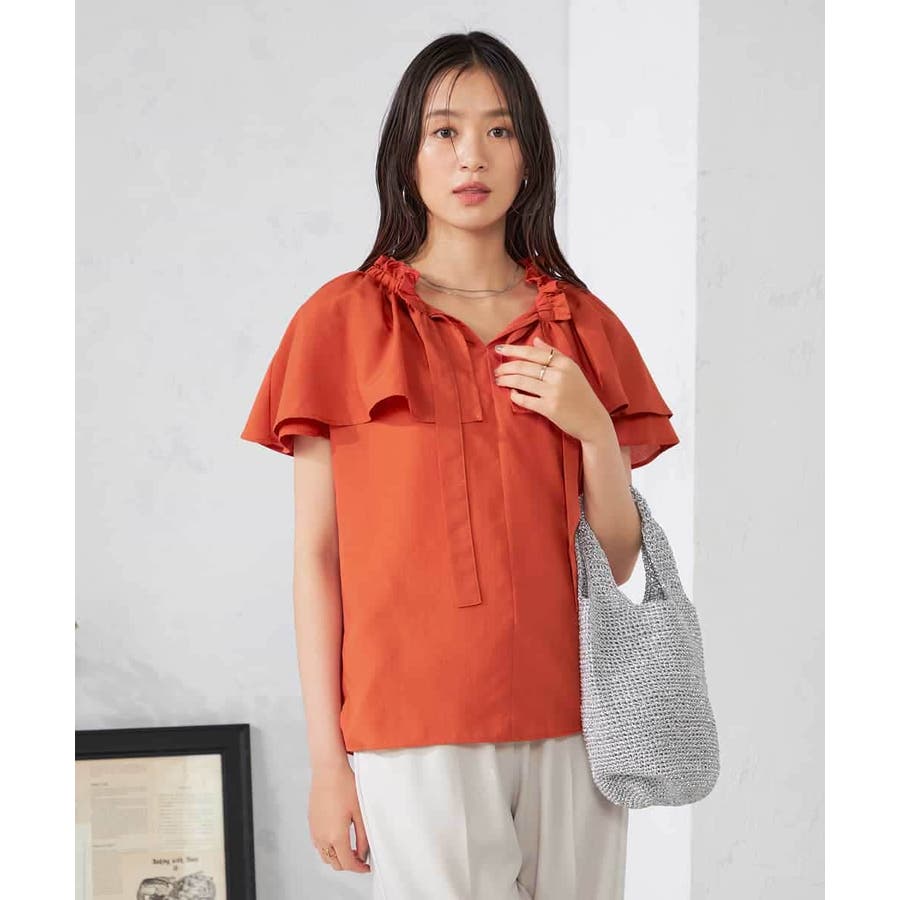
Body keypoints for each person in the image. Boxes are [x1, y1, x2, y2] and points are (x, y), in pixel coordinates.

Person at [241, 30, 679, 900]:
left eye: (499, 130)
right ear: (406, 156)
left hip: (577, 719)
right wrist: (328, 764)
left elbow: (620, 559)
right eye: (444, 130)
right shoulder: (340, 321)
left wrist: (595, 431)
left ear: (530, 156)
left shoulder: (583, 325)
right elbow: (318, 559)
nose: (471, 155)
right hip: (413, 725)